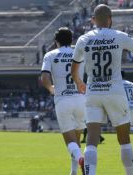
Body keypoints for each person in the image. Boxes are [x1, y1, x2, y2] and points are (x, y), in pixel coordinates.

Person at [71, 4, 133, 175]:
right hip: (115, 91)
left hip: (93, 92)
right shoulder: (119, 36)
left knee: (91, 140)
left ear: (94, 20)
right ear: (110, 19)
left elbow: (74, 68)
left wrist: (78, 82)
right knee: (124, 139)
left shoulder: (84, 39)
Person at [41, 27, 86, 175]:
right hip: (81, 99)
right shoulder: (80, 53)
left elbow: (45, 78)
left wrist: (51, 89)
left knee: (70, 142)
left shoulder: (50, 55)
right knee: (77, 140)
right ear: (71, 40)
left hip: (63, 99)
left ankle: (81, 159)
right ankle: (73, 172)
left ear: (56, 42)